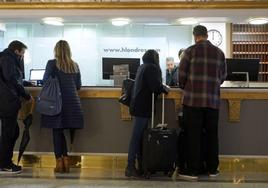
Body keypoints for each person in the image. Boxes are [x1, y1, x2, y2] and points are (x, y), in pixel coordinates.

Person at [178, 25, 226, 179]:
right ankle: (213, 169)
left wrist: (187, 87)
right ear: (206, 35)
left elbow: (181, 76)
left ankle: (193, 170)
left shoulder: (189, 52)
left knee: (193, 135)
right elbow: (223, 77)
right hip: (212, 101)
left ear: (195, 36)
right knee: (212, 136)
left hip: (192, 102)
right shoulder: (219, 53)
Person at [41, 40, 84, 173]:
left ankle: (59, 162)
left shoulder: (52, 63)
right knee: (60, 131)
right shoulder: (74, 65)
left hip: (56, 103)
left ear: (56, 50)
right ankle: (65, 160)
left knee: (57, 131)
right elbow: (78, 86)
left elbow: (45, 81)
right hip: (72, 104)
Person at [125, 49, 168, 177]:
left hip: (138, 106)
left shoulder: (142, 67)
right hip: (144, 107)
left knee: (138, 137)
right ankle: (130, 166)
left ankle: (138, 165)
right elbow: (155, 87)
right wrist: (164, 89)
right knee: (137, 137)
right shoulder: (152, 68)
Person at [0, 40, 32, 174]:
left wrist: (25, 82)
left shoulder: (5, 57)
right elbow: (11, 79)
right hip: (7, 101)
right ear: (16, 51)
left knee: (13, 132)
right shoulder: (8, 59)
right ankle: (4, 164)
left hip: (4, 101)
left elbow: (11, 77)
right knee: (9, 133)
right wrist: (25, 94)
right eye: (22, 53)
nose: (23, 56)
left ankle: (4, 161)